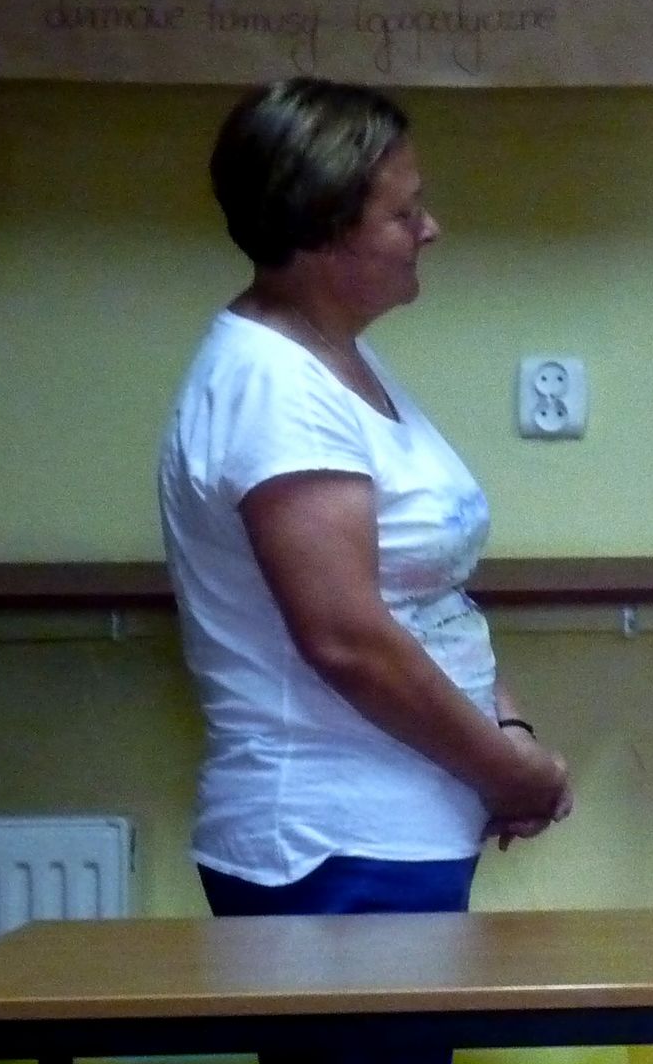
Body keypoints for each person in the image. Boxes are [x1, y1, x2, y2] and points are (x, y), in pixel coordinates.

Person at [158, 77, 570, 1062]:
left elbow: (426, 595)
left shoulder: (335, 360)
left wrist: (507, 731)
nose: (431, 229)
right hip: (331, 846)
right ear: (321, 230)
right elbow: (347, 638)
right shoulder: (272, 389)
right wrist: (505, 770)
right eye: (403, 212)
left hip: (397, 831)